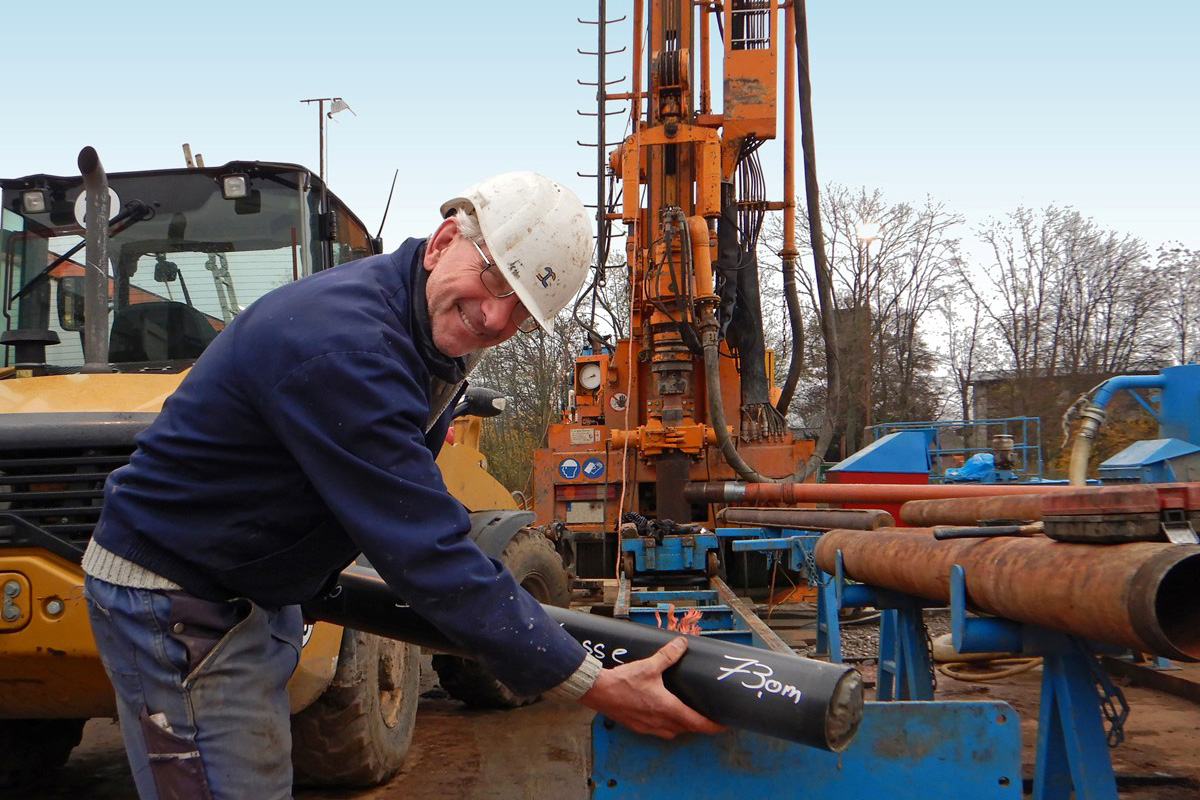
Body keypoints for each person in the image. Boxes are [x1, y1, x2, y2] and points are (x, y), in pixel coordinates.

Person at [82, 171, 722, 800]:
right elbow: (424, 547)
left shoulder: (421, 334)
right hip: (177, 593)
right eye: (494, 275)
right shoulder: (348, 345)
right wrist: (590, 682)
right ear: (445, 241)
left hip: (246, 579)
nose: (496, 315)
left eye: (523, 311)